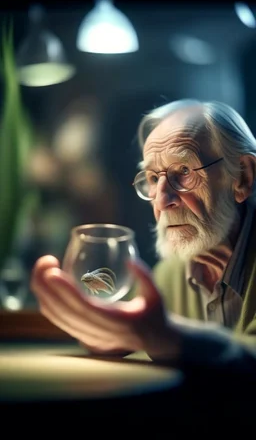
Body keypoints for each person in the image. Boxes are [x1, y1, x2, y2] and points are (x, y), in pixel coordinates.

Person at [31, 98, 256, 374]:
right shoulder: (170, 274)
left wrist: (168, 337)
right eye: (152, 178)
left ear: (243, 177)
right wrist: (107, 334)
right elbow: (140, 333)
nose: (161, 200)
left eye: (183, 172)